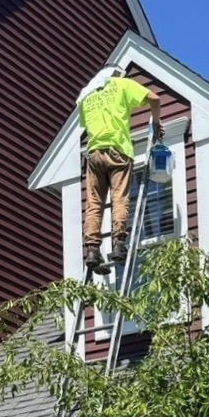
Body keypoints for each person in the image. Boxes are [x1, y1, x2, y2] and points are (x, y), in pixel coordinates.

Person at [76, 64, 164, 272]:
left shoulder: (87, 95)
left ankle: (92, 250)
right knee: (119, 198)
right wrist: (157, 122)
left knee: (94, 204)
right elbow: (155, 98)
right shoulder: (121, 84)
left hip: (94, 153)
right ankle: (119, 245)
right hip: (118, 150)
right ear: (116, 74)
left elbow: (85, 125)